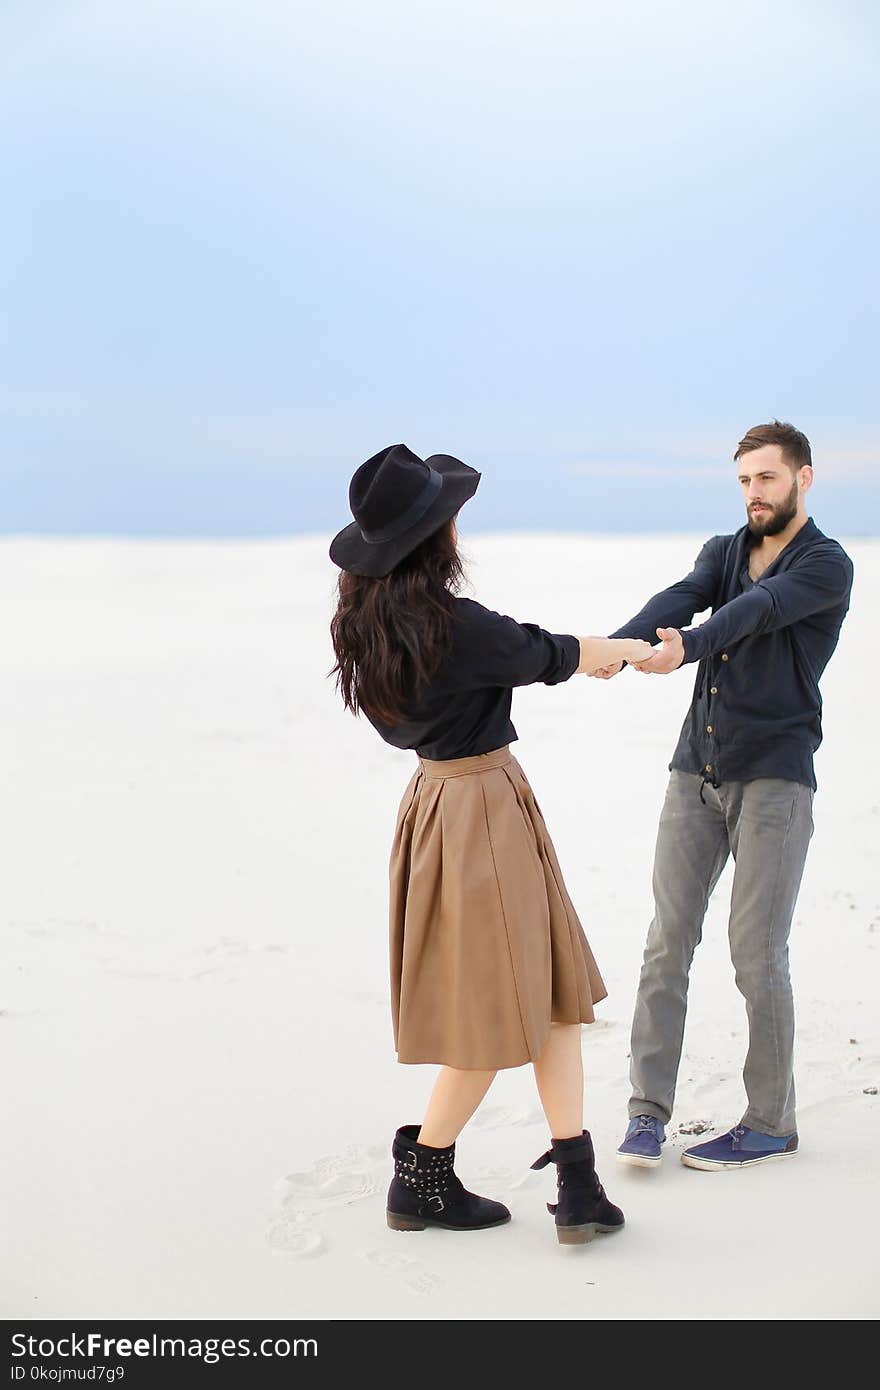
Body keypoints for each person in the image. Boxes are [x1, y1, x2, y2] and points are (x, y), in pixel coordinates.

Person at [328, 444, 652, 1243]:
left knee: (550, 999)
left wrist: (583, 653)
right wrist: (625, 652)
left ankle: (577, 1181)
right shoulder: (455, 628)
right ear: (434, 539)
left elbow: (537, 651)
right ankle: (425, 1175)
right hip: (484, 810)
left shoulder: (368, 628)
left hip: (435, 804)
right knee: (501, 1010)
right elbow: (548, 653)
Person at [594, 421, 854, 1170]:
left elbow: (756, 612)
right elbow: (681, 597)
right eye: (744, 480)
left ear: (804, 478)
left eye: (766, 479)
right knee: (666, 941)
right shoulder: (724, 550)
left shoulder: (826, 564)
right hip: (695, 769)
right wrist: (616, 646)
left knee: (756, 954)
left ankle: (771, 1121)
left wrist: (687, 648)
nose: (753, 494)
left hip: (775, 777)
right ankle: (647, 1113)